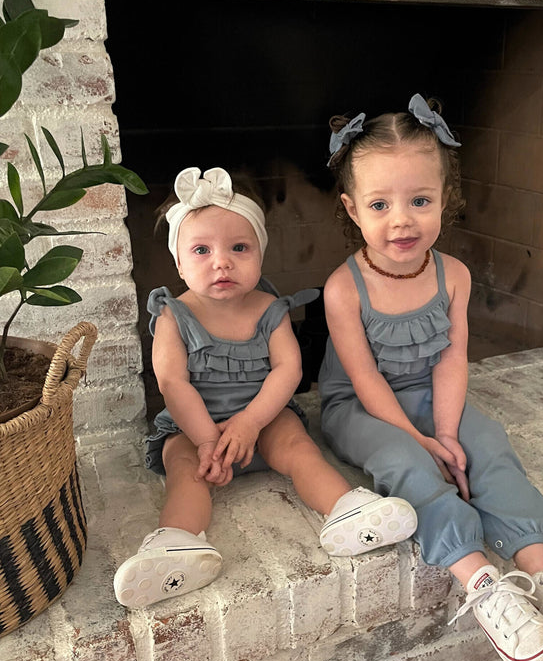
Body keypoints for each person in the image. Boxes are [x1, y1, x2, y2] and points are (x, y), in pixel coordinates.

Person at [318, 95, 543, 661]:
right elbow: (362, 377)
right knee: (408, 464)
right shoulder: (344, 287)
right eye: (380, 204)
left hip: (433, 394)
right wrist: (423, 441)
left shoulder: (451, 274)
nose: (402, 219)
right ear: (352, 209)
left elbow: (453, 357)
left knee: (488, 445)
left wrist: (450, 431)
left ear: (444, 201)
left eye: (420, 201)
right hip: (361, 404)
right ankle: (483, 585)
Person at [113, 167, 417, 609]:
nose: (222, 262)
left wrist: (252, 422)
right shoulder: (173, 317)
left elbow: (288, 370)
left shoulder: (269, 310)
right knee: (184, 469)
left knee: (298, 447)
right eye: (201, 250)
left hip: (266, 416)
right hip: (196, 429)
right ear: (178, 262)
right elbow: (173, 383)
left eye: (240, 248)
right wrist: (206, 441)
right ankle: (177, 544)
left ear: (260, 255)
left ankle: (347, 510)